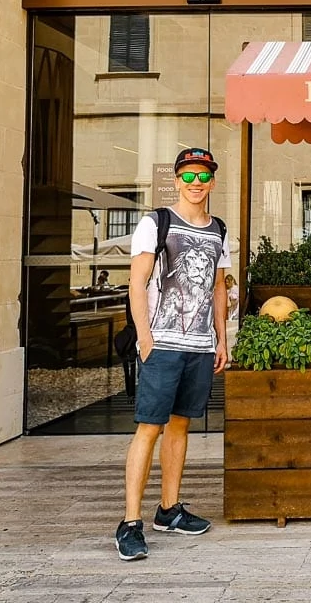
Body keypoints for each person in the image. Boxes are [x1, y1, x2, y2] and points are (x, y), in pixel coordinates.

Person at [115, 147, 230, 562]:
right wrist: (145, 339)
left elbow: (219, 287)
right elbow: (137, 282)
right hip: (162, 344)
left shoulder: (218, 229)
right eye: (189, 176)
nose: (196, 183)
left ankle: (169, 510)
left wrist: (221, 339)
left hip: (199, 346)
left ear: (212, 182)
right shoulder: (156, 222)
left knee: (180, 426)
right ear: (177, 180)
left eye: (203, 176)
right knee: (149, 428)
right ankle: (130, 522)